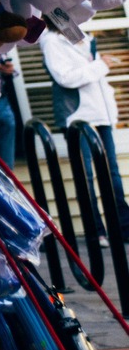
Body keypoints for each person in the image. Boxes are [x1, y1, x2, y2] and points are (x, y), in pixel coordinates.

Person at [39, 29, 129, 236]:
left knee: (111, 171)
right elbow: (65, 78)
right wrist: (100, 65)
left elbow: (98, 80)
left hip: (101, 114)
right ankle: (96, 231)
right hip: (77, 115)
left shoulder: (83, 36)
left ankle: (123, 227)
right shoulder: (52, 41)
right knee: (85, 174)